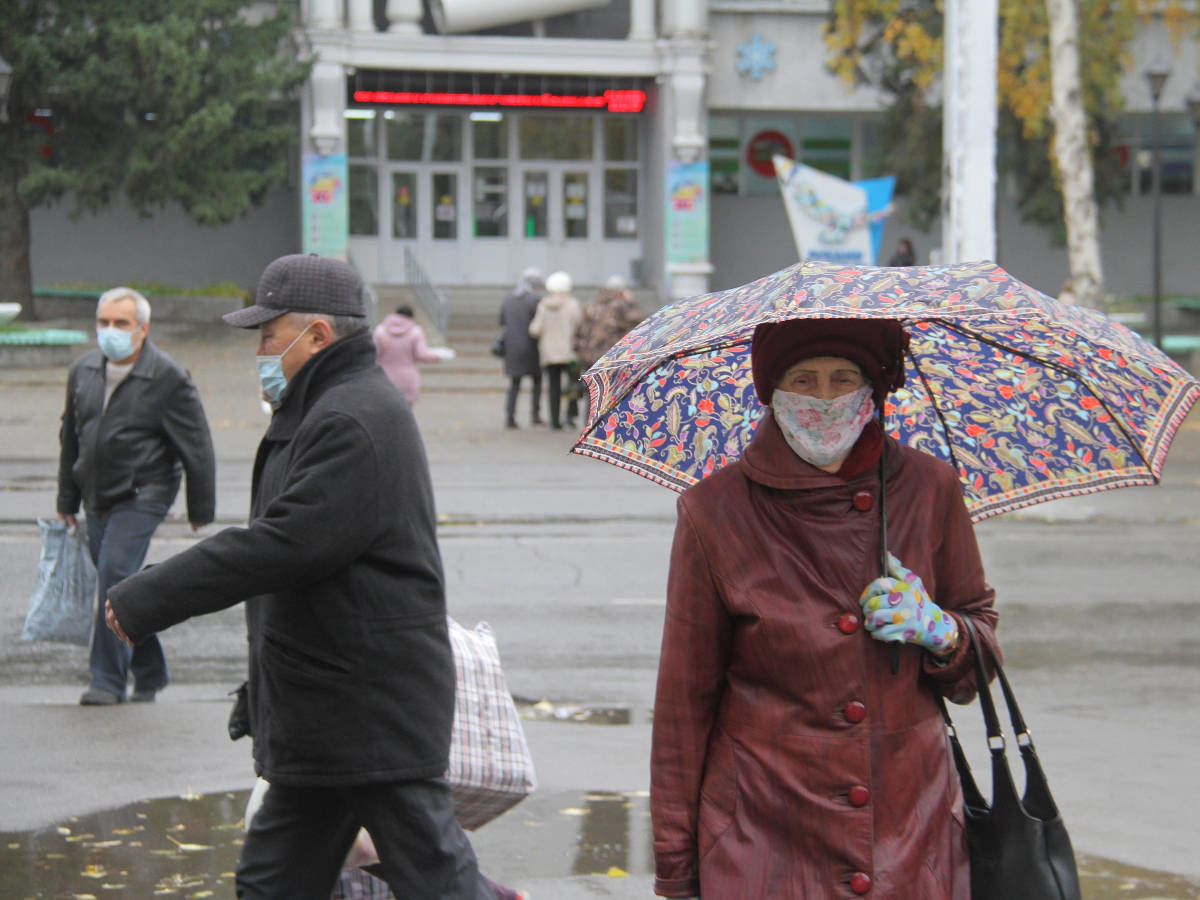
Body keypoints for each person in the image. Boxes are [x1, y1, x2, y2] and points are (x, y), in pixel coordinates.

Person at [103, 254, 496, 900]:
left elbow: (282, 546)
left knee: (439, 882)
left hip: (369, 714)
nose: (258, 350)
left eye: (267, 333)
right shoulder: (328, 408)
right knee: (272, 885)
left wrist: (152, 594)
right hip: (330, 713)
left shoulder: (352, 419)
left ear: (316, 336)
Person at [649, 317, 1000, 899]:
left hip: (910, 828)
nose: (824, 398)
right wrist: (677, 871)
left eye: (844, 378)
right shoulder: (714, 511)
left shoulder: (930, 487)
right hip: (762, 829)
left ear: (874, 391)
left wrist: (940, 630)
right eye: (803, 379)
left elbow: (978, 654)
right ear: (772, 392)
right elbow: (684, 705)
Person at [56, 286, 215, 706]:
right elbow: (71, 439)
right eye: (104, 322)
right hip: (96, 495)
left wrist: (201, 506)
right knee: (122, 582)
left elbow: (195, 443)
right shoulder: (84, 370)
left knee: (113, 575)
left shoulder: (167, 376)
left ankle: (107, 680)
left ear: (142, 330)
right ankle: (150, 669)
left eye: (121, 323)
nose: (110, 331)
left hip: (145, 491)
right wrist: (65, 501)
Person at [568, 274, 645, 425]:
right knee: (611, 394)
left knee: (592, 392)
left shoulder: (590, 304)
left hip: (590, 357)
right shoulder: (620, 306)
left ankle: (588, 426)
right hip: (612, 357)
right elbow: (639, 321)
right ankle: (606, 427)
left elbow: (577, 330)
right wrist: (631, 302)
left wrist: (579, 350)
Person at [528, 270, 582, 430]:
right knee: (572, 385)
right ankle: (571, 416)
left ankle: (554, 420)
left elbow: (535, 329)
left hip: (549, 352)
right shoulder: (573, 305)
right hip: (570, 352)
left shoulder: (543, 305)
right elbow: (580, 326)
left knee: (553, 386)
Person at [372, 304, 446, 405]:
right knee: (405, 416)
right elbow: (422, 354)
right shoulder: (415, 332)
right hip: (407, 379)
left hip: (385, 378)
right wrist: (437, 357)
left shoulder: (380, 331)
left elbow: (374, 354)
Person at [499, 268, 544, 429]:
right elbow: (539, 325)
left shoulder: (508, 298)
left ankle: (510, 417)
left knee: (515, 383)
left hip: (512, 347)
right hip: (531, 347)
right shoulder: (534, 300)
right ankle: (535, 414)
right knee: (537, 381)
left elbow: (502, 321)